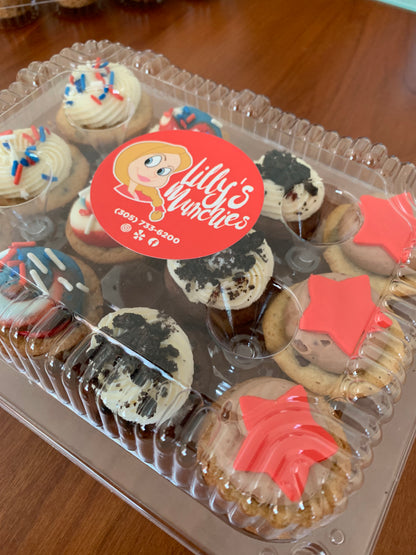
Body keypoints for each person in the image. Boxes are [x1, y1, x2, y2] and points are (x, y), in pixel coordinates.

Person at [113, 140, 192, 221]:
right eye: (151, 161)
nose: (152, 173)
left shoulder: (148, 199)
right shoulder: (112, 189)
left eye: (163, 171)